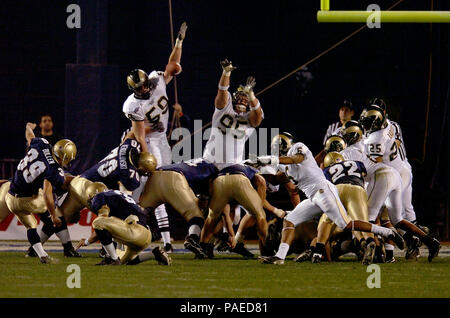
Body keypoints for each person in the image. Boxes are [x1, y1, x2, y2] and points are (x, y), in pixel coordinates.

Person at [256, 136, 405, 265]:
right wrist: (257, 167)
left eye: (278, 148)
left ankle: (387, 233)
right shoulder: (284, 166)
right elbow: (276, 180)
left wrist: (272, 160)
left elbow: (296, 159)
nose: (276, 151)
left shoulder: (298, 148)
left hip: (323, 191)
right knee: (289, 220)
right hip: (313, 197)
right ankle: (280, 257)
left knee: (345, 224)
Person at [122, 22, 188, 252]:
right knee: (150, 189)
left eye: (144, 85)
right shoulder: (132, 105)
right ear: (133, 90)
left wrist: (179, 42)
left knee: (161, 188)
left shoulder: (156, 80)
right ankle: (145, 238)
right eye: (139, 88)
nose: (144, 89)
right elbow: (137, 133)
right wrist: (148, 149)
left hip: (161, 141)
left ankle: (163, 240)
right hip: (146, 142)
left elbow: (173, 66)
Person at [360, 105, 441, 262]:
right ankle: (430, 242)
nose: (365, 126)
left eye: (368, 123)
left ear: (376, 122)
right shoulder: (389, 124)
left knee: (370, 217)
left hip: (385, 174)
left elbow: (374, 161)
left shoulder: (375, 139)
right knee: (397, 218)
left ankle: (381, 248)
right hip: (397, 172)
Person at [5, 137, 77, 263]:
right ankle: (66, 244)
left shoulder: (41, 144)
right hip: (28, 200)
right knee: (52, 208)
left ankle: (42, 255)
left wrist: (29, 127)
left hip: (10, 198)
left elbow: (29, 137)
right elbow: (47, 194)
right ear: (65, 157)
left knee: (31, 225)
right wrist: (54, 216)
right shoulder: (55, 170)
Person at [139, 158, 218, 259]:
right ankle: (192, 238)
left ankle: (121, 242)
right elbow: (205, 199)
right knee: (196, 216)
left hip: (155, 175)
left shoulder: (194, 163)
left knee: (138, 215)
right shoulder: (212, 171)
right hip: (174, 178)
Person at [75, 183, 171, 266]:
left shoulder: (100, 197)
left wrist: (87, 241)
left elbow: (102, 220)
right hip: (145, 234)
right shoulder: (119, 196)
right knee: (123, 261)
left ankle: (112, 259)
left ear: (93, 193)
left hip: (134, 231)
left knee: (98, 222)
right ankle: (155, 254)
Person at [203, 59, 264, 169]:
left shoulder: (250, 116)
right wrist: (226, 73)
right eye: (240, 96)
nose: (242, 99)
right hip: (209, 162)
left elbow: (257, 119)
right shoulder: (225, 107)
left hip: (233, 165)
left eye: (245, 97)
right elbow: (222, 92)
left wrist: (251, 95)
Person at [199, 164, 269, 258]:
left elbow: (225, 214)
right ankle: (267, 249)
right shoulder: (252, 171)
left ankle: (202, 248)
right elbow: (261, 182)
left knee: (212, 217)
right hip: (239, 180)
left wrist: (231, 235)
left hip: (220, 181)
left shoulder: (218, 167)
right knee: (259, 215)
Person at [315, 100, 354, 164]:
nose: (344, 112)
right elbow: (326, 148)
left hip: (351, 156)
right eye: (342, 110)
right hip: (334, 157)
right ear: (339, 112)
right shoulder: (332, 127)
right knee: (323, 163)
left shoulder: (355, 127)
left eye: (346, 110)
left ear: (352, 113)